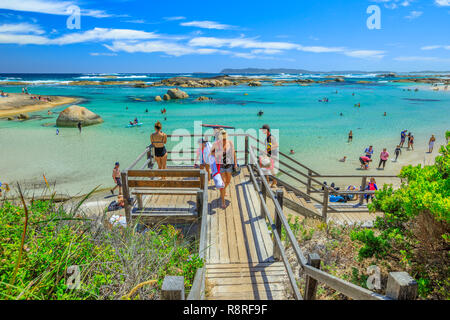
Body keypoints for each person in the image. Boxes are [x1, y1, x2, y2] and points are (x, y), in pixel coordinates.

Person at [210, 129, 237, 209]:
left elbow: (234, 153)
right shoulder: (216, 144)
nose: (224, 139)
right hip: (220, 166)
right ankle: (223, 201)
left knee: (228, 181)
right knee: (222, 183)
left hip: (229, 166)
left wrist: (235, 163)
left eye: (225, 138)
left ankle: (223, 190)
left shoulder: (230, 143)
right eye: (222, 138)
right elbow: (211, 152)